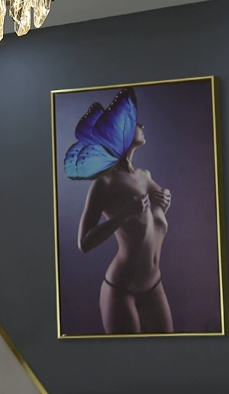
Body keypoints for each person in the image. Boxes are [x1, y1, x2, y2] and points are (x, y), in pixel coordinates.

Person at [64, 88, 173, 334]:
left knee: (170, 352)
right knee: (129, 355)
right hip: (121, 291)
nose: (142, 125)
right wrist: (124, 215)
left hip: (154, 285)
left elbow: (148, 224)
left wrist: (164, 204)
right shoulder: (104, 183)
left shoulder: (145, 175)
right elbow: (84, 243)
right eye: (135, 123)